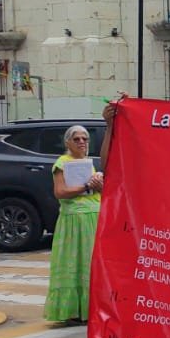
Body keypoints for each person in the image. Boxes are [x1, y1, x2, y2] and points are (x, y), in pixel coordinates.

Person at [45, 125, 105, 324]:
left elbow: (98, 192)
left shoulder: (89, 163)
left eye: (85, 139)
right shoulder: (62, 162)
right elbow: (60, 192)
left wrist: (99, 185)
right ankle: (72, 309)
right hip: (73, 220)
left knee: (90, 264)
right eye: (77, 139)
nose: (82, 142)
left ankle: (89, 308)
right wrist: (87, 186)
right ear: (67, 142)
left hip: (93, 217)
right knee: (75, 263)